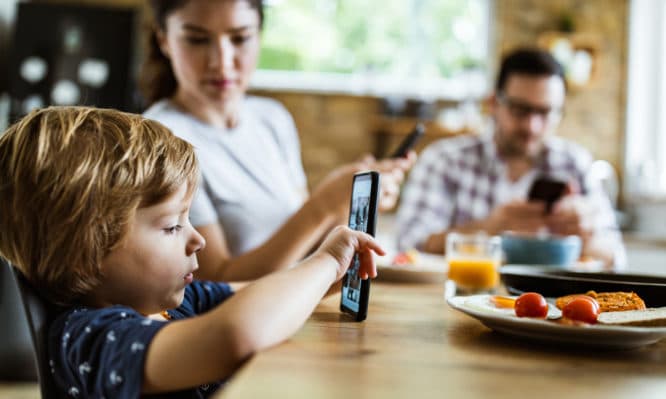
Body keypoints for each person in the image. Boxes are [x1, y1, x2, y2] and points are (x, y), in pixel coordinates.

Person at [0, 106, 383, 398]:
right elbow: (239, 332)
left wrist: (332, 277)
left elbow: (254, 292)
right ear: (86, 251)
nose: (196, 238)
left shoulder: (167, 303)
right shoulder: (92, 339)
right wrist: (326, 261)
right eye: (172, 226)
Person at [140, 0, 414, 282]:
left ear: (259, 36)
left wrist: (348, 203)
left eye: (240, 38)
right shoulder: (159, 142)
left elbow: (305, 250)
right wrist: (323, 205)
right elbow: (213, 285)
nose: (221, 61)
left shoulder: (272, 119)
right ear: (164, 41)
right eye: (197, 39)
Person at [397, 48, 625, 268]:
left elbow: (616, 257)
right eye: (520, 109)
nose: (532, 126)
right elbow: (408, 245)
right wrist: (490, 228)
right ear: (494, 104)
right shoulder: (444, 160)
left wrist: (587, 237)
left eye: (545, 112)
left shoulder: (575, 162)